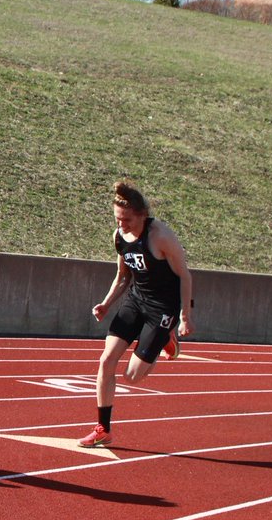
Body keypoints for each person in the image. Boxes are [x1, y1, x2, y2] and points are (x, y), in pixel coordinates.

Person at [80, 181, 194, 448]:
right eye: (118, 220)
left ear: (143, 214)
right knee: (106, 360)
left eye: (128, 220)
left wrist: (185, 316)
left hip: (162, 308)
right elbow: (123, 275)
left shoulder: (161, 237)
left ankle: (167, 338)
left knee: (132, 376)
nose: (122, 226)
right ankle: (103, 429)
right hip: (136, 299)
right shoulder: (119, 236)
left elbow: (185, 275)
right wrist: (106, 304)